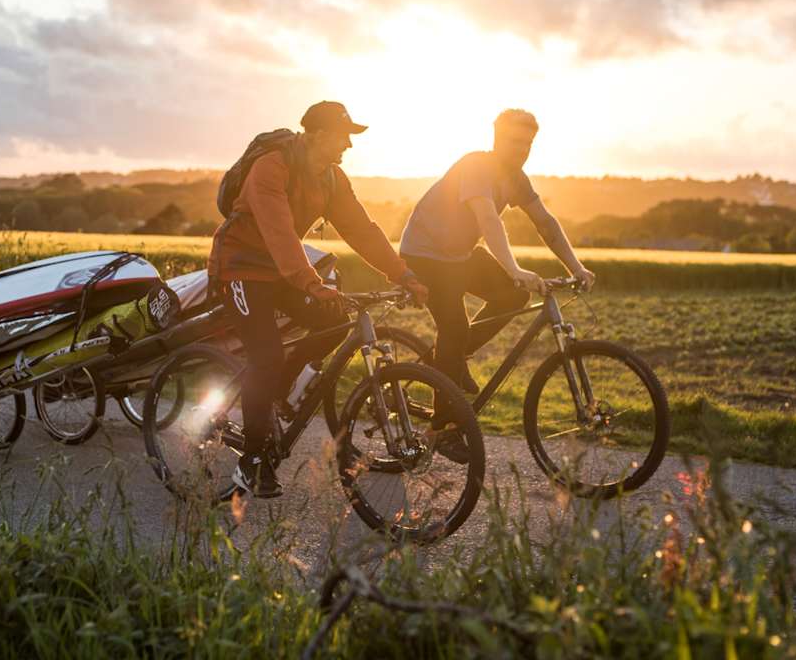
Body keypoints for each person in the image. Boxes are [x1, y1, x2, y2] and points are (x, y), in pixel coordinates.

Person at [210, 100, 429, 498]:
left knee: (334, 321)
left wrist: (403, 273)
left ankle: (274, 395)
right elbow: (279, 233)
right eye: (344, 135)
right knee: (267, 356)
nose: (349, 144)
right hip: (241, 268)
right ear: (318, 135)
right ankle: (252, 461)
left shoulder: (331, 177)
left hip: (282, 272)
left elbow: (362, 230)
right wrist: (312, 283)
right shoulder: (272, 166)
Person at [398, 108, 595, 428]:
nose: (522, 150)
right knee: (455, 327)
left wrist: (577, 267)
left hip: (459, 255)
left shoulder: (516, 178)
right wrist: (515, 269)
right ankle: (446, 426)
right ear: (496, 137)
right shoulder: (477, 165)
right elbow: (488, 219)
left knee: (512, 296)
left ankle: (452, 359)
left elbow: (545, 223)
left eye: (529, 144)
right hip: (424, 256)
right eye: (515, 141)